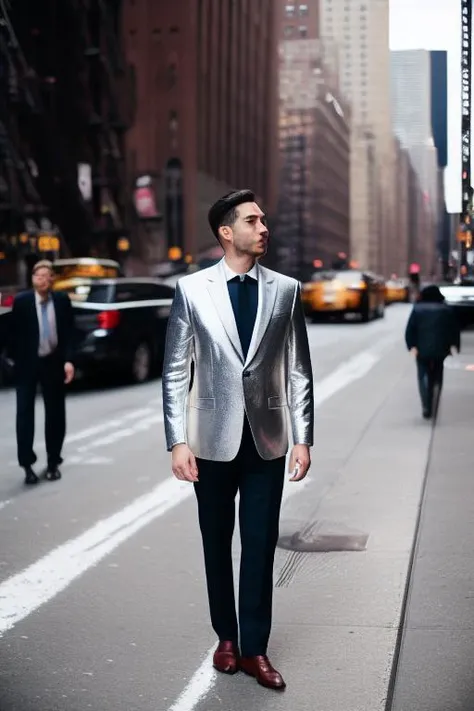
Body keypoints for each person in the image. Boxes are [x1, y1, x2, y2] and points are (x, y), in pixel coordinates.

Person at [162, 189, 314, 691]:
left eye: (264, 219)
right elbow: (175, 371)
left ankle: (254, 649)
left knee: (260, 544)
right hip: (209, 441)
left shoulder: (287, 290)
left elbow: (298, 370)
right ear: (227, 232)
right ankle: (225, 636)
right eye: (253, 220)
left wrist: (303, 437)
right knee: (214, 541)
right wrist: (177, 441)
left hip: (267, 441)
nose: (263, 226)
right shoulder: (191, 290)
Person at [8, 259, 75, 484]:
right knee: (24, 414)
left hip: (53, 362)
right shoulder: (22, 302)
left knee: (55, 414)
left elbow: (69, 333)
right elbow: (11, 333)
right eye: (38, 276)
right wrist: (11, 361)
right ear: (33, 280)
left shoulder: (62, 301)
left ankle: (53, 462)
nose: (42, 280)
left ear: (52, 280)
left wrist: (68, 361)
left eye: (47, 276)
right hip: (27, 365)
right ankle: (27, 465)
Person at [405, 284, 460, 419]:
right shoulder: (446, 310)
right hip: (441, 349)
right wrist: (455, 345)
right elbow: (453, 330)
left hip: (422, 350)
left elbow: (410, 330)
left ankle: (426, 405)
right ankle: (435, 395)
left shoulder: (417, 310)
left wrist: (412, 346)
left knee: (422, 375)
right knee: (438, 374)